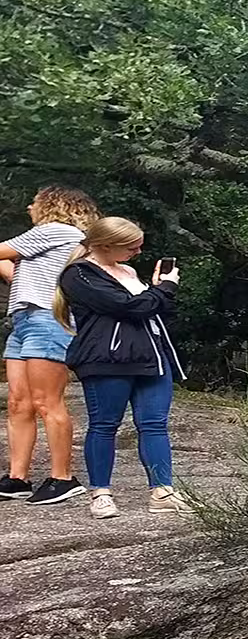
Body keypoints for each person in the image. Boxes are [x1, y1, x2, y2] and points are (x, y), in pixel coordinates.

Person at [53, 217, 188, 520]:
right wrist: (164, 288)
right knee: (104, 425)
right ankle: (101, 493)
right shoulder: (79, 275)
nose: (138, 252)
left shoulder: (128, 271)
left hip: (150, 355)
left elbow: (156, 308)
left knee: (154, 424)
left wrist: (158, 290)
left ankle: (162, 491)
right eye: (131, 247)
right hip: (107, 359)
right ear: (104, 245)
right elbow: (129, 307)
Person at [0, 184, 97, 505]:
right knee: (19, 402)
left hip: (48, 321)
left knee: (46, 401)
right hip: (26, 320)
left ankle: (63, 477)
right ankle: (18, 478)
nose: (29, 206)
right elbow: (17, 274)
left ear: (53, 206)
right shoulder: (53, 241)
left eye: (34, 201)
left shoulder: (55, 230)